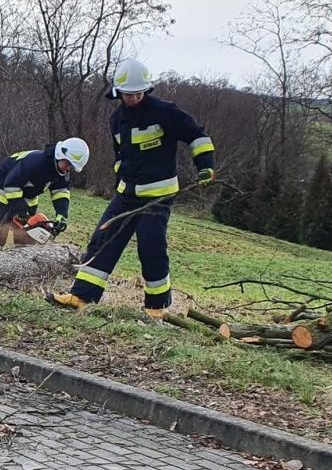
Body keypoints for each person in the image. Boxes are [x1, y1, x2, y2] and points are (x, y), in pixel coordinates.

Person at [48, 59, 214, 317]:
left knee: (151, 247)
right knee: (102, 241)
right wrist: (119, 180)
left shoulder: (165, 112)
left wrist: (205, 165)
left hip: (157, 197)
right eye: (129, 94)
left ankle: (156, 308)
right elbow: (120, 156)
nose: (134, 98)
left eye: (138, 93)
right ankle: (82, 296)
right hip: (126, 195)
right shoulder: (117, 120)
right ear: (119, 92)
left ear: (146, 90)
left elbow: (197, 135)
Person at [0, 138, 90, 252]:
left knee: (28, 233)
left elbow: (60, 192)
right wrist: (20, 209)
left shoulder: (61, 172)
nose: (68, 169)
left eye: (72, 167)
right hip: (4, 192)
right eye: (68, 164)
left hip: (29, 195)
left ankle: (22, 259)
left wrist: (61, 216)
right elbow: (11, 184)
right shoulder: (35, 163)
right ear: (60, 155)